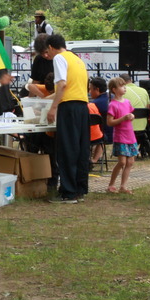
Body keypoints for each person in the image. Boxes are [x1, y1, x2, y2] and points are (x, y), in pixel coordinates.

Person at [44, 34, 90, 203]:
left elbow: (62, 84)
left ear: (50, 47)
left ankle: (68, 193)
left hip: (68, 107)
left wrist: (53, 108)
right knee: (80, 149)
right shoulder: (77, 59)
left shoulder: (59, 58)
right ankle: (80, 189)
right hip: (82, 106)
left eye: (47, 51)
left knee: (67, 149)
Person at [105, 77, 136, 194]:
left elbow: (131, 113)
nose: (125, 88)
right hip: (120, 136)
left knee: (130, 162)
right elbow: (109, 122)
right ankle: (111, 184)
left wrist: (132, 116)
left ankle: (123, 186)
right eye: (122, 86)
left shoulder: (127, 102)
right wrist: (123, 118)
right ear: (114, 90)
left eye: (125, 86)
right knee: (122, 162)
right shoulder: (113, 105)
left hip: (130, 136)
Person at [89, 77, 110, 161]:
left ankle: (92, 159)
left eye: (90, 89)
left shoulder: (94, 104)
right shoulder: (113, 99)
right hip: (115, 133)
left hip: (101, 136)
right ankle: (95, 159)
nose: (89, 92)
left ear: (97, 89)